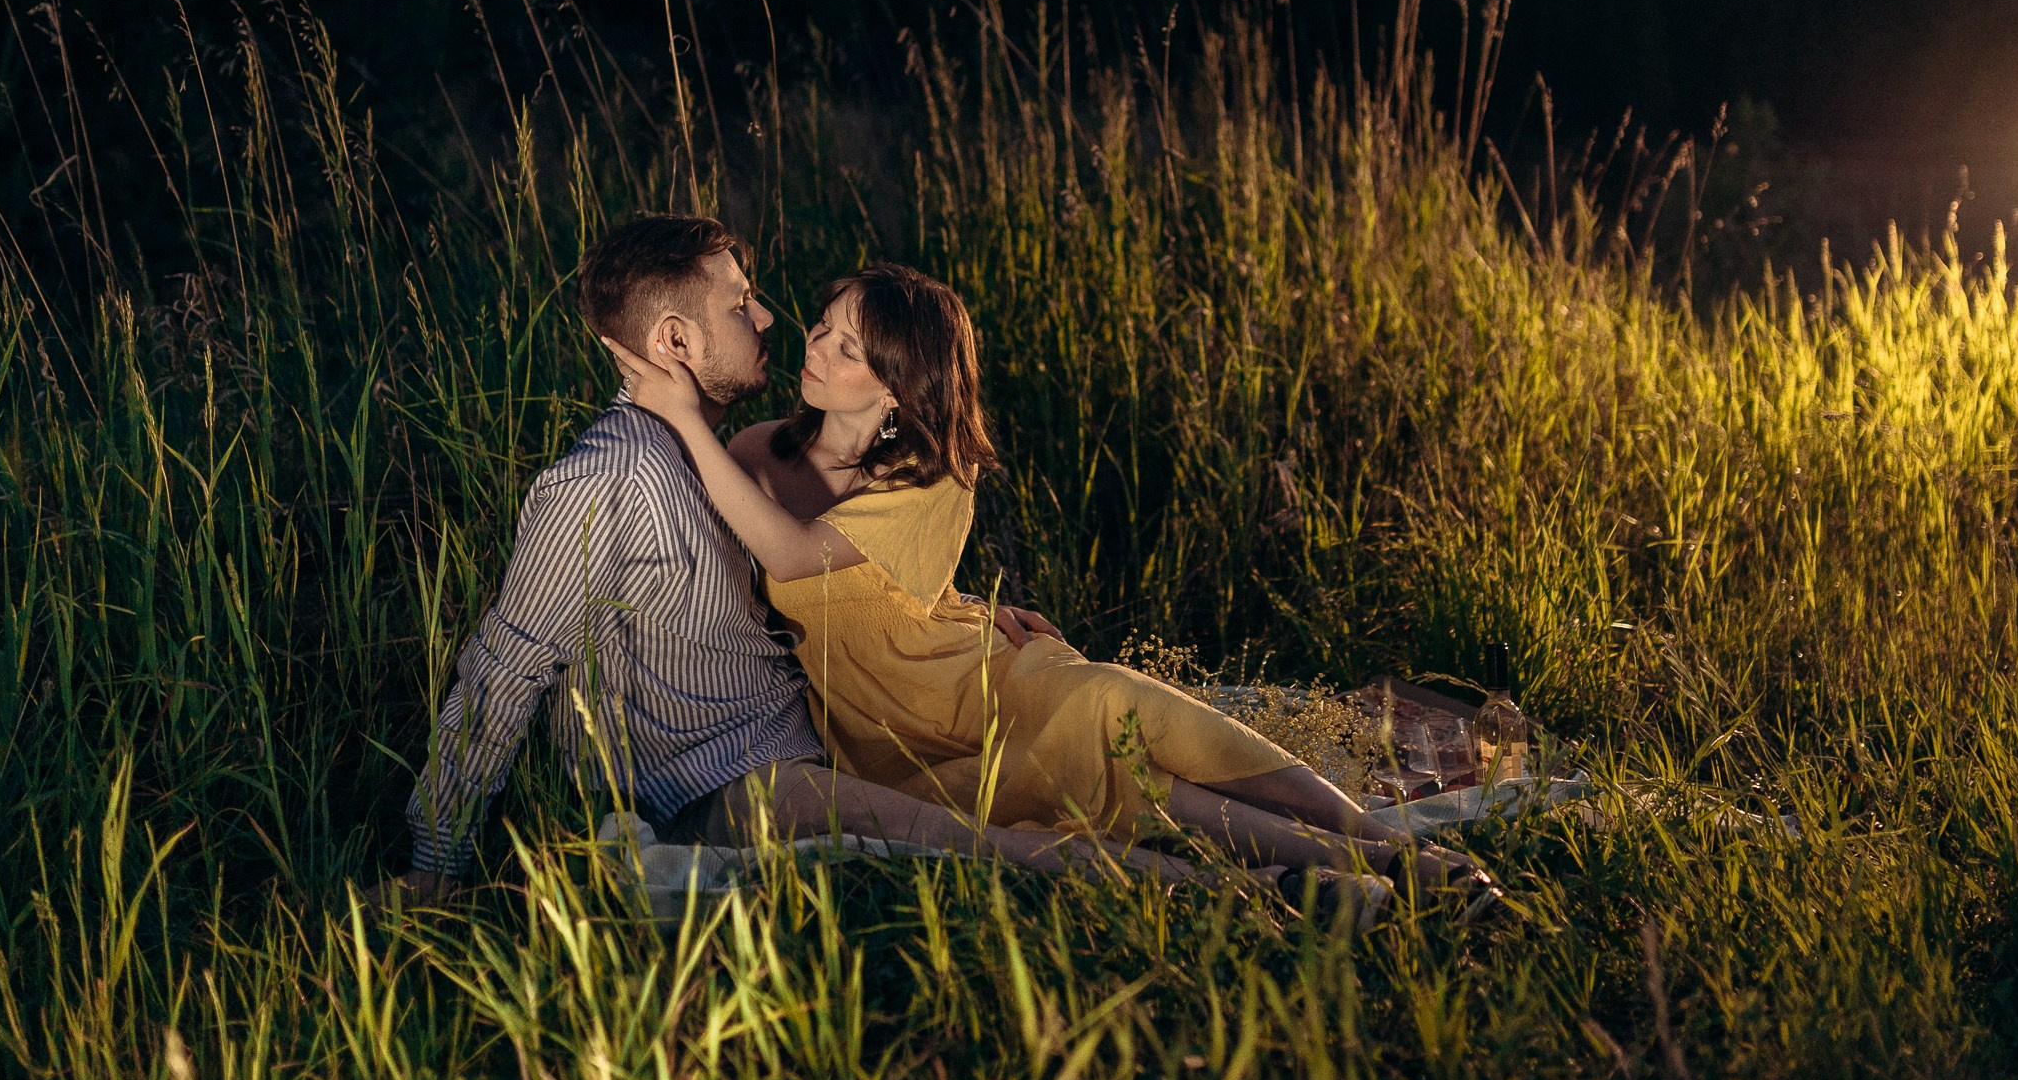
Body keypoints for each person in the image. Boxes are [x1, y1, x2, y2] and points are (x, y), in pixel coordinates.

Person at [603, 261, 1497, 898]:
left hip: (975, 686)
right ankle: (1341, 871)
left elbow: (797, 557)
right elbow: (731, 568)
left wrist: (681, 418)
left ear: (895, 391)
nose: (816, 348)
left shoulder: (930, 477)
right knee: (1119, 783)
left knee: (1127, 710)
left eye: (847, 348)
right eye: (824, 328)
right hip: (890, 728)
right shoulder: (759, 453)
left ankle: (1383, 853)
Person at [368, 217, 1137, 907]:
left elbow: (822, 567)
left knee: (1061, 746)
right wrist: (438, 861)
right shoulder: (604, 480)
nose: (769, 317)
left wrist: (945, 607)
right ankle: (1216, 886)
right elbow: (503, 668)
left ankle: (1215, 825)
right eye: (739, 304)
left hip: (811, 726)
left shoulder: (720, 455)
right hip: (724, 779)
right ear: (675, 342)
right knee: (972, 846)